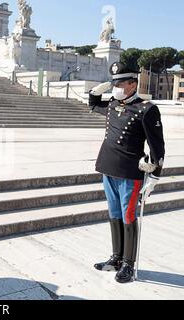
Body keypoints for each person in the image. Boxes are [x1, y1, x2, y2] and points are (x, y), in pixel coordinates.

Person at [89, 62, 165, 283]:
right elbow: (94, 106)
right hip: (108, 167)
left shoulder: (146, 109)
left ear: (133, 84)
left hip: (130, 173)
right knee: (114, 214)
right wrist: (96, 92)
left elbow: (157, 146)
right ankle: (116, 258)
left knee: (128, 216)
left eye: (120, 83)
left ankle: (128, 265)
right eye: (114, 83)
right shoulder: (113, 103)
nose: (116, 87)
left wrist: (155, 175)